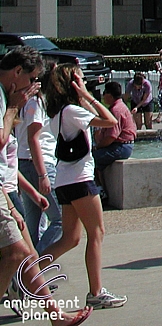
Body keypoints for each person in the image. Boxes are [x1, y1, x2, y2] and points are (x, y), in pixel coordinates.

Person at [0, 49, 90, 325]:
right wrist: (14, 107)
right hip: (3, 189)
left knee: (27, 256)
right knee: (18, 253)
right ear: (17, 72)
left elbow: (7, 160)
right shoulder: (6, 98)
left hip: (6, 189)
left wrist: (28, 192)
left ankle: (56, 316)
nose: (33, 86)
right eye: (32, 78)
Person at [39, 60, 126, 309]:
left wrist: (83, 97)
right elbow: (111, 122)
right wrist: (87, 95)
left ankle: (26, 275)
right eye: (80, 79)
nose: (84, 81)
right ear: (73, 85)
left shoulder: (59, 112)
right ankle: (96, 292)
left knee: (70, 238)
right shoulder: (72, 111)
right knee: (96, 233)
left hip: (65, 182)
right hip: (80, 180)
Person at [17, 82, 62, 252]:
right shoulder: (37, 102)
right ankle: (36, 264)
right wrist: (43, 175)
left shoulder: (30, 102)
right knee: (60, 220)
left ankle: (28, 269)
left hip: (27, 162)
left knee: (33, 223)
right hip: (38, 163)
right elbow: (33, 138)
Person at [92, 83, 136, 201]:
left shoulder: (116, 110)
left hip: (121, 147)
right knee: (97, 162)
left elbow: (111, 137)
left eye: (105, 93)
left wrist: (98, 147)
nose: (103, 95)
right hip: (122, 145)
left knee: (90, 159)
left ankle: (100, 192)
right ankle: (100, 189)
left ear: (110, 95)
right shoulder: (120, 107)